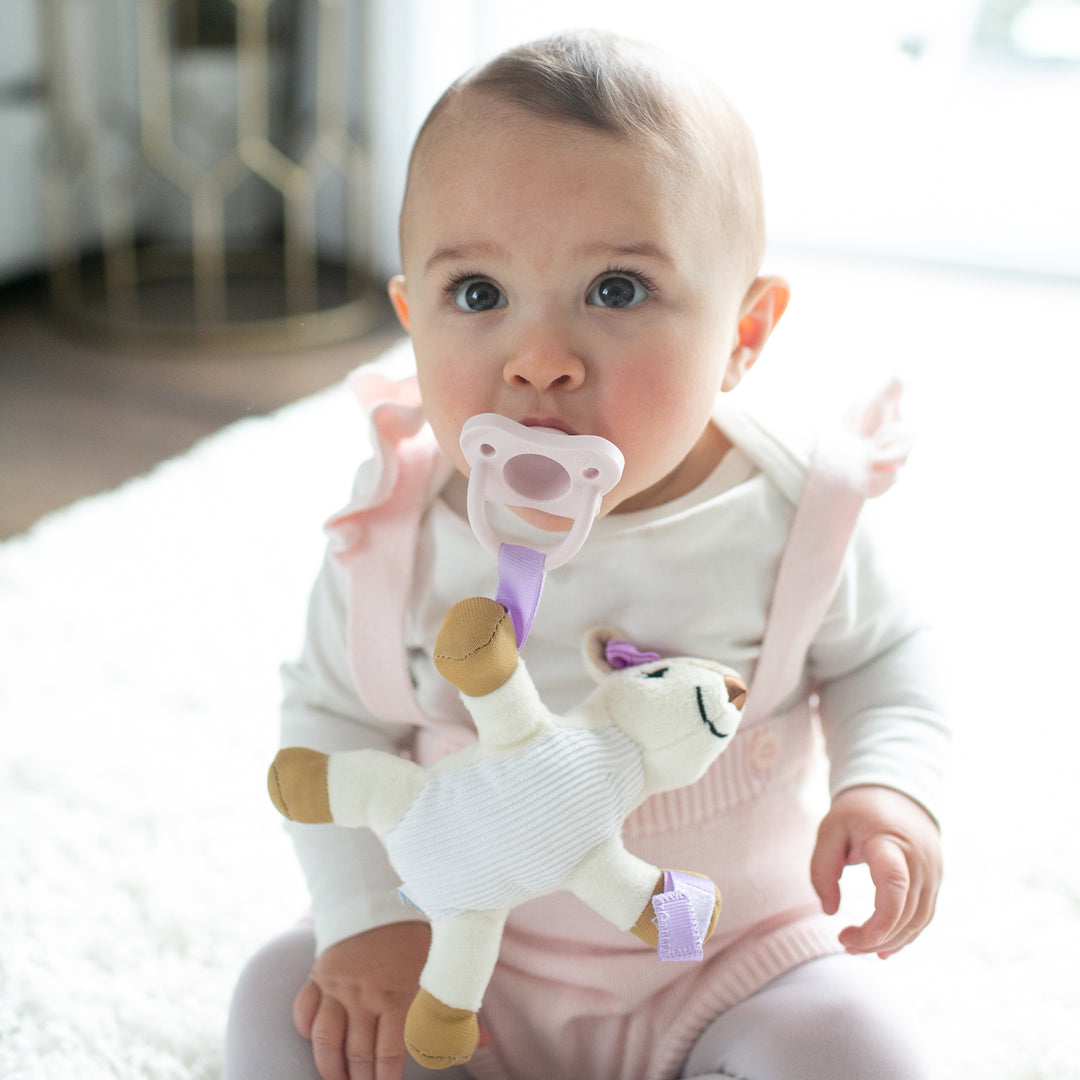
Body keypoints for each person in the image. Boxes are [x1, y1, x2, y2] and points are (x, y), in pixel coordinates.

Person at [225, 29, 948, 1080]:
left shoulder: (798, 511)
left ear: (745, 333)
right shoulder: (402, 526)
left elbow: (890, 655)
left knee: (858, 1049)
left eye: (616, 290)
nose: (540, 361)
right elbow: (332, 715)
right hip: (458, 962)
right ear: (409, 318)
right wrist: (366, 921)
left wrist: (888, 788)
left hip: (728, 957)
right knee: (279, 1003)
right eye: (477, 294)